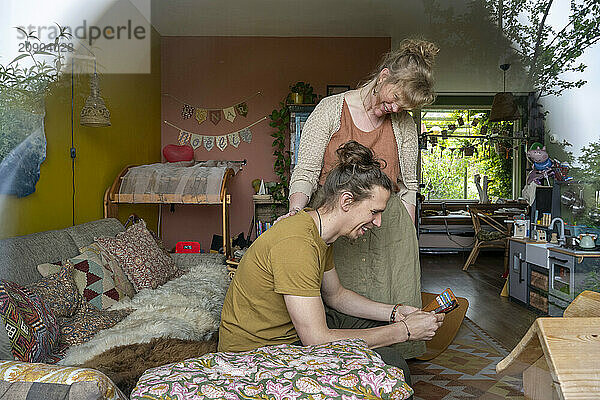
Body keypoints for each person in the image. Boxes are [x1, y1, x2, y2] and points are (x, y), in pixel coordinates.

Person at [219, 141, 444, 385]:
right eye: (374, 212)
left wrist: (396, 313)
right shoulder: (296, 243)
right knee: (392, 363)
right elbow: (315, 339)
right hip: (257, 355)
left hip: (290, 334)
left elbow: (336, 295)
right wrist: (405, 331)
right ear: (347, 202)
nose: (378, 222)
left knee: (378, 325)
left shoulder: (317, 232)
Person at [283, 38, 439, 358]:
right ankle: (344, 370)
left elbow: (409, 185)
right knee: (341, 300)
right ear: (383, 77)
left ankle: (391, 373)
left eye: (404, 107)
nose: (396, 109)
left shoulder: (403, 124)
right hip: (340, 220)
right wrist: (297, 211)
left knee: (391, 306)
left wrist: (405, 234)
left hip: (388, 224)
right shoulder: (331, 109)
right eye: (395, 99)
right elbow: (306, 170)